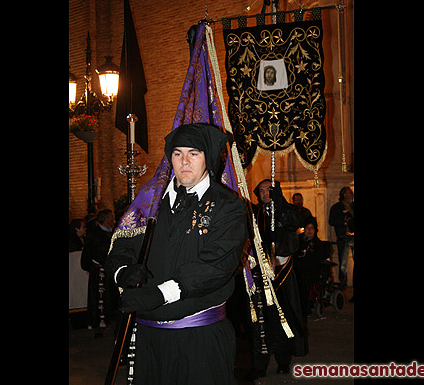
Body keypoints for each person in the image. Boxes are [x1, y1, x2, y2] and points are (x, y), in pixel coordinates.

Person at [105, 123, 248, 384]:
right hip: (149, 340)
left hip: (198, 339)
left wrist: (160, 293)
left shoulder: (228, 207)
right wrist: (122, 272)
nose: (184, 161)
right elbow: (121, 246)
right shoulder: (149, 201)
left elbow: (216, 265)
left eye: (194, 153)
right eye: (177, 153)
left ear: (208, 158)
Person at [245, 179, 305, 380]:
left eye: (268, 190)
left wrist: (279, 202)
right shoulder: (256, 214)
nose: (264, 194)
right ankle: (259, 364)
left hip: (283, 274)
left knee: (283, 319)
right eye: (261, 191)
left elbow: (293, 222)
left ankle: (283, 361)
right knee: (261, 321)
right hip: (261, 274)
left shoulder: (286, 210)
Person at [81, 209, 115, 336]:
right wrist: (91, 268)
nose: (113, 220)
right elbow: (87, 255)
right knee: (99, 298)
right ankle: (98, 323)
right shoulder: (94, 235)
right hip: (99, 272)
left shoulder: (113, 232)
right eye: (111, 217)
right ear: (106, 219)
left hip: (110, 271)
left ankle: (110, 318)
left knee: (110, 297)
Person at [294, 219, 332, 319]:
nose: (309, 231)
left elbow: (320, 259)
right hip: (299, 269)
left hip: (313, 271)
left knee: (304, 280)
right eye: (307, 228)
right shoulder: (299, 241)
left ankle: (305, 308)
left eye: (311, 228)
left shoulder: (318, 244)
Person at [328, 187, 354, 292]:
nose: (350, 195)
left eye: (351, 193)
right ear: (343, 194)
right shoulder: (336, 207)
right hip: (343, 237)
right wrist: (343, 222)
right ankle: (343, 286)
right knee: (343, 263)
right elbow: (331, 221)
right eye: (348, 193)